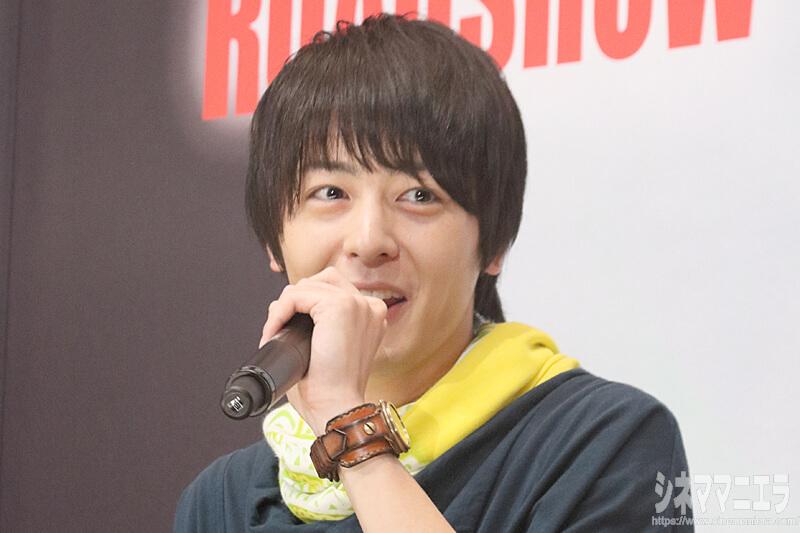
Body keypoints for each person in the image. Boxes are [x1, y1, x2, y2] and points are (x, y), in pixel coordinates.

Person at [175, 14, 692, 532]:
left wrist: (348, 427)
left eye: (418, 195)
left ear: (493, 244)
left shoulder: (605, 445)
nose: (369, 241)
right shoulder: (222, 502)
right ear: (274, 239)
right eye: (330, 193)